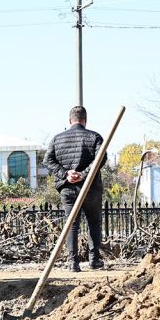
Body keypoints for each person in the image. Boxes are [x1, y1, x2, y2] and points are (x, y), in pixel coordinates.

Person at [44, 105, 106, 272]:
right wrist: (84, 175)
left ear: (69, 120)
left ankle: (73, 263)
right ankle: (94, 260)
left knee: (71, 225)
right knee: (94, 223)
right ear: (85, 120)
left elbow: (47, 161)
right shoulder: (95, 137)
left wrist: (66, 174)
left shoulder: (57, 139)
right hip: (91, 188)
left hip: (68, 189)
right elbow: (101, 159)